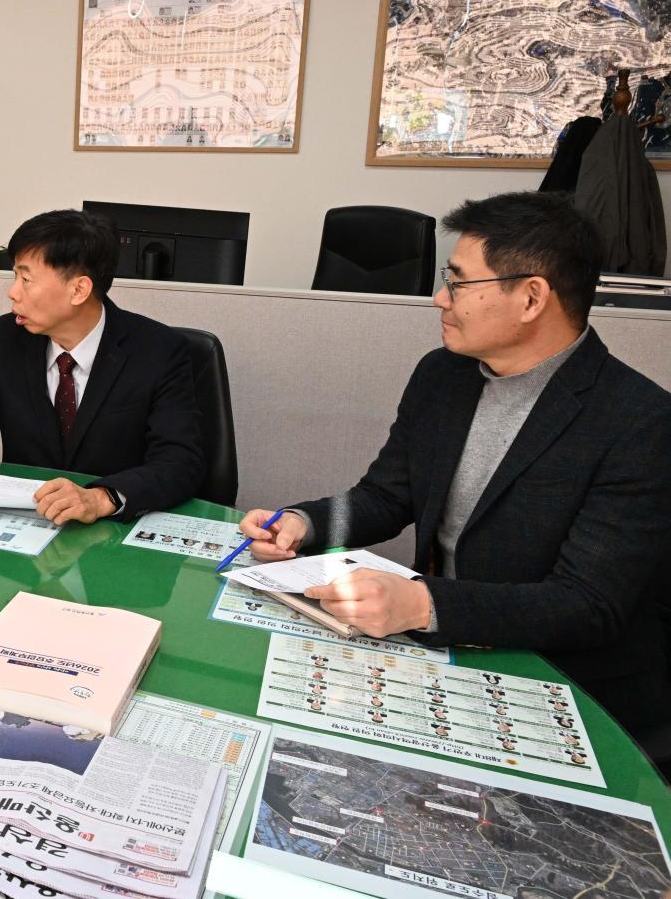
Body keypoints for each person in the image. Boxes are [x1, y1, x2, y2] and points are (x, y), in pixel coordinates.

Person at [238, 192, 671, 735]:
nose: (440, 299)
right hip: (448, 660)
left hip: (571, 690)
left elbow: (588, 604)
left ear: (532, 297)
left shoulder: (639, 421)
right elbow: (388, 495)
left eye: (460, 283)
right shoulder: (444, 375)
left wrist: (421, 604)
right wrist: (302, 523)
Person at [0, 209, 204, 525]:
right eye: (14, 276)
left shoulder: (159, 351)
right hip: (26, 529)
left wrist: (100, 498)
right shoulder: (3, 339)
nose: (12, 292)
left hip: (112, 533)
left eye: (26, 279)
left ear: (79, 290)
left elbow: (180, 462)